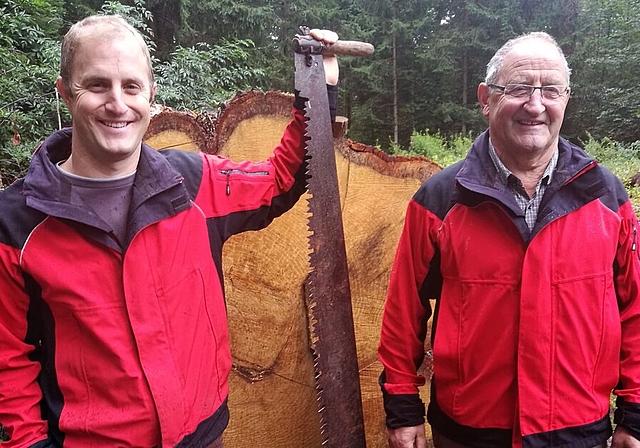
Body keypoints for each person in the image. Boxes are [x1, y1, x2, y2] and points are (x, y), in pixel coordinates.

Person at [0, 14, 339, 448]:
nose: (118, 103)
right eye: (97, 85)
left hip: (202, 436)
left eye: (131, 87)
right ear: (65, 91)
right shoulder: (17, 224)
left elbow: (281, 179)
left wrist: (318, 88)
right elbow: (9, 361)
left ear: (152, 95)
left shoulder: (194, 185)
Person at [378, 31, 640, 448]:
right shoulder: (441, 200)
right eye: (518, 89)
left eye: (550, 90)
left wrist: (634, 412)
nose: (535, 105)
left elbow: (635, 311)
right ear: (486, 98)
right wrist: (402, 407)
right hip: (469, 434)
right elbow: (403, 312)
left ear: (566, 98)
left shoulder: (606, 199)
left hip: (577, 433)